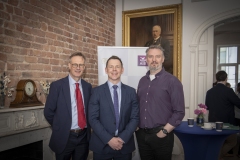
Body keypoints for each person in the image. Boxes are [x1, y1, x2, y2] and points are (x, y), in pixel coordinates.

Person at [136, 45, 185, 160]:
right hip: (141, 135)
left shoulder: (172, 81)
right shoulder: (142, 81)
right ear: (146, 59)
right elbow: (138, 106)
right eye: (150, 56)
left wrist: (164, 131)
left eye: (157, 56)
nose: (154, 60)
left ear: (163, 59)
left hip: (161, 135)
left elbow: (179, 111)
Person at [88, 55, 139, 160]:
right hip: (101, 145)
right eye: (111, 67)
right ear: (106, 70)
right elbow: (93, 119)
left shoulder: (131, 92)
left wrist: (122, 138)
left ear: (122, 70)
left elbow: (135, 118)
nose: (114, 70)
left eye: (117, 66)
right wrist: (109, 139)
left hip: (124, 145)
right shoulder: (96, 92)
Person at [44, 52, 92, 160]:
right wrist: (60, 126)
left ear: (84, 67)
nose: (78, 68)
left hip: (83, 137)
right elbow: (48, 112)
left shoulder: (88, 87)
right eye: (75, 64)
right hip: (64, 137)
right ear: (69, 65)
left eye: (81, 65)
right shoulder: (57, 86)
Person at [205, 71, 240, 160]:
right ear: (226, 78)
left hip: (213, 122)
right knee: (233, 142)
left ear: (216, 79)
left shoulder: (209, 92)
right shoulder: (228, 91)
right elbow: (238, 103)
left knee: (217, 142)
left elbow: (207, 106)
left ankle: (216, 156)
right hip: (227, 123)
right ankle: (217, 156)